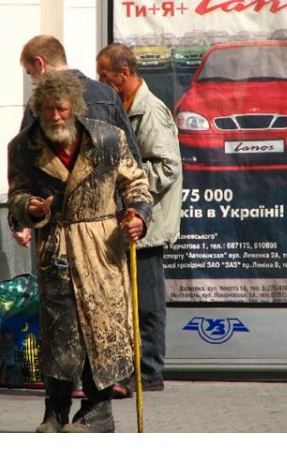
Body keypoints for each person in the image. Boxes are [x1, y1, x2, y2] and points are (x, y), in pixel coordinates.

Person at [7, 71, 153, 432]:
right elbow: (16, 196)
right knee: (61, 331)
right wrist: (30, 208)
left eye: (61, 108)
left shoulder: (107, 139)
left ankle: (98, 412)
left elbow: (136, 183)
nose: (55, 116)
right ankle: (54, 412)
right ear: (37, 110)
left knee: (102, 328)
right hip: (57, 247)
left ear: (74, 108)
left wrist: (139, 217)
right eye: (47, 109)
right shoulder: (23, 147)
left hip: (102, 246)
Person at [96, 43, 183, 394]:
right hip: (132, 220)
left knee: (147, 301)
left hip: (148, 224)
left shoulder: (148, 111)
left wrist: (124, 176)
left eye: (105, 75)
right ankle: (135, 368)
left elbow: (167, 167)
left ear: (124, 74)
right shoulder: (124, 107)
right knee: (132, 299)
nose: (101, 81)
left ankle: (149, 373)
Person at [11, 34, 142, 248]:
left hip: (58, 232)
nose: (55, 116)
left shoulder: (38, 104)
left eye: (31, 73)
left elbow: (25, 166)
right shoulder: (107, 94)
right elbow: (133, 160)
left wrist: (21, 220)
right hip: (105, 228)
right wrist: (133, 213)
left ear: (40, 64)